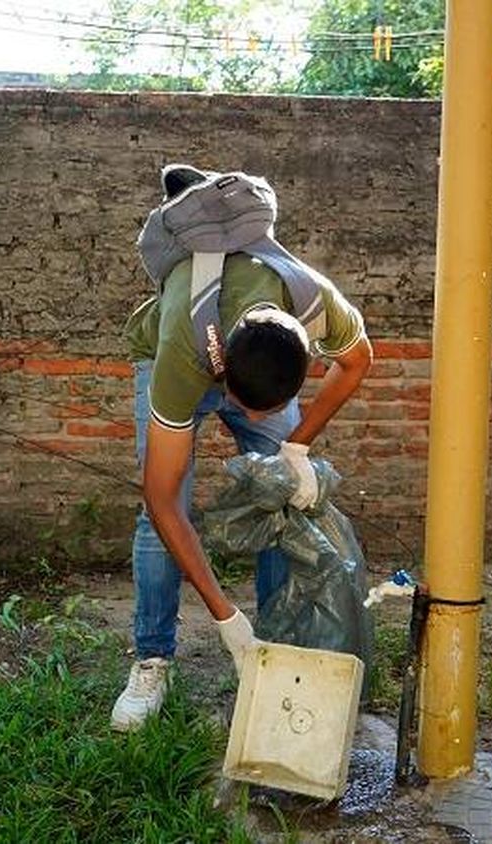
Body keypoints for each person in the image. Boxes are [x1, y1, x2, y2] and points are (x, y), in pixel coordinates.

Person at [111, 165, 373, 732]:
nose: (254, 422)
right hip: (167, 352)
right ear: (224, 378)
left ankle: (276, 652)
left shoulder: (313, 297)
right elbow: (162, 501)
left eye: (269, 410)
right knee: (159, 517)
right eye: (249, 409)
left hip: (245, 348)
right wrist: (226, 618)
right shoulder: (184, 354)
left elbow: (357, 361)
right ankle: (153, 659)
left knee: (284, 499)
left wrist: (296, 448)